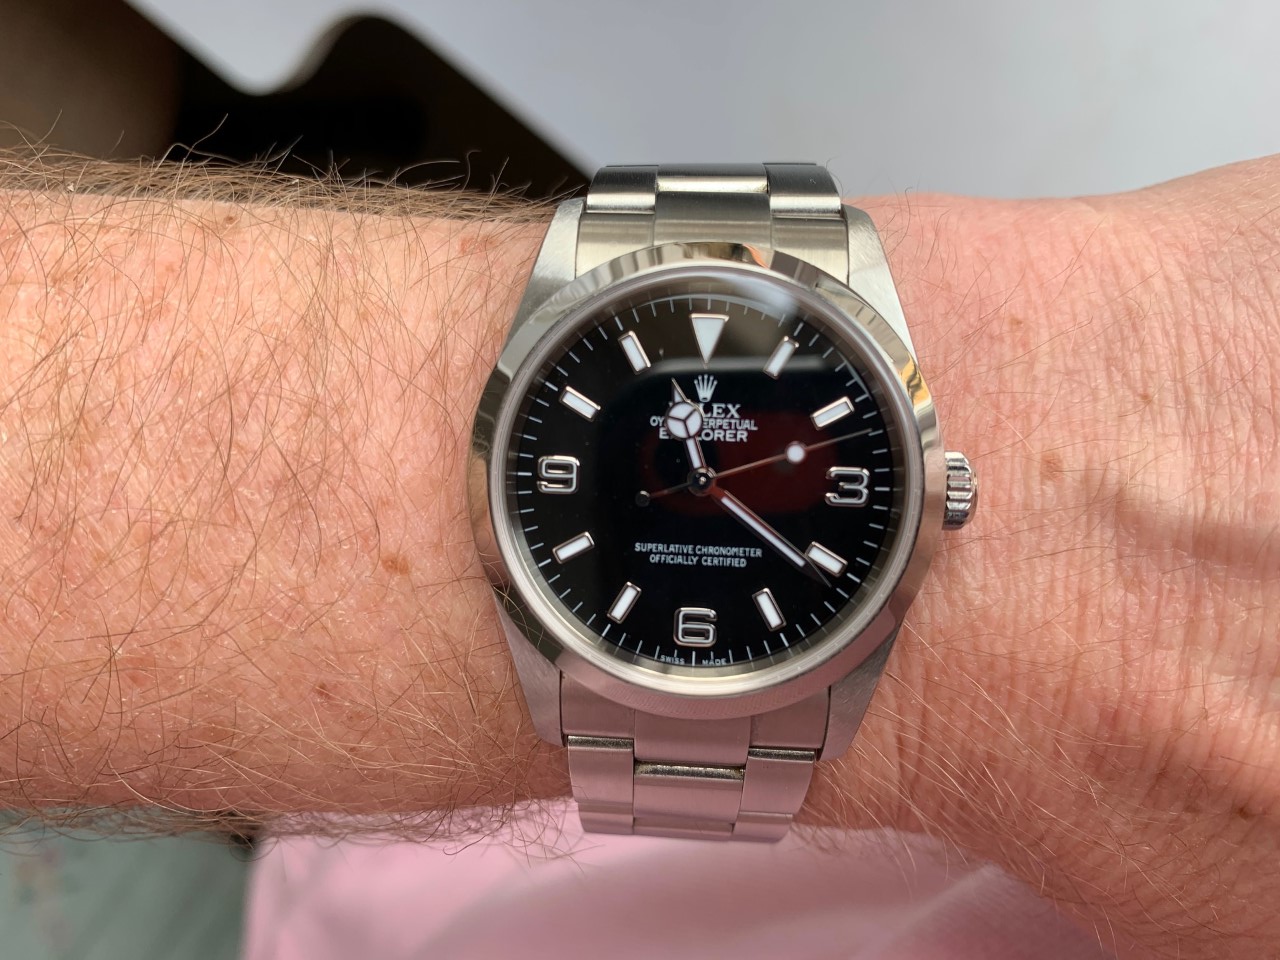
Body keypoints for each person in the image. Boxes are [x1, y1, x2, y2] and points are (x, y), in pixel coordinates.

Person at [0, 149, 1275, 959]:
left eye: (730, 474)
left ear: (939, 494)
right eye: (695, 471)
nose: (706, 483)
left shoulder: (874, 502)